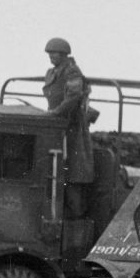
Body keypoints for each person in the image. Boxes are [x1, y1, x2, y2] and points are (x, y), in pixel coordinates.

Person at [42, 37, 95, 216]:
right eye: (49, 53)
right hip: (56, 125)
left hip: (71, 126)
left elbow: (73, 97)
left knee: (73, 171)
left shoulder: (72, 72)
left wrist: (56, 112)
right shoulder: (52, 72)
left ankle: (74, 214)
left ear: (64, 54)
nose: (51, 56)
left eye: (54, 53)